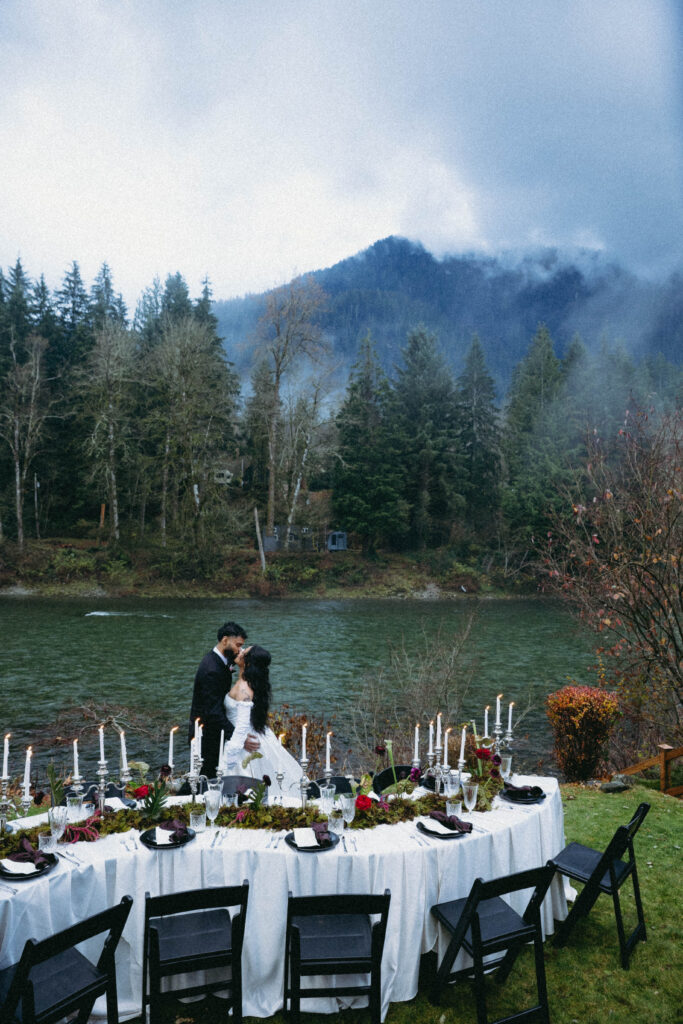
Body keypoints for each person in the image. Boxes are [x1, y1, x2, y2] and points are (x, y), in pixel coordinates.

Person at [222, 644, 301, 794]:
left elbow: (242, 726)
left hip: (243, 742)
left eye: (244, 652)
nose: (240, 651)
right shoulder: (247, 682)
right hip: (247, 735)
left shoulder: (244, 688)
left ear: (248, 663)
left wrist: (230, 755)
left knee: (244, 785)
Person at [188, 621, 259, 778]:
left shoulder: (218, 662)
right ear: (225, 640)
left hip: (215, 731)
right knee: (205, 778)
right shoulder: (211, 669)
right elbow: (213, 711)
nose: (239, 650)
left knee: (210, 777)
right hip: (207, 735)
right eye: (238, 645)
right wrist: (238, 738)